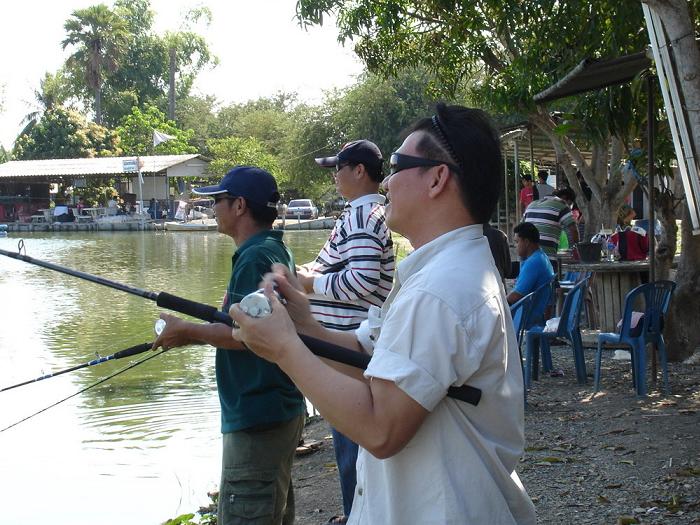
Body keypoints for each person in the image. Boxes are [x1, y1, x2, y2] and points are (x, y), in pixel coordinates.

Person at [230, 104, 536, 524]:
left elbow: (381, 429)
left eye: (396, 165)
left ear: (437, 177)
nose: (386, 181)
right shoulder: (438, 272)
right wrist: (303, 324)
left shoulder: (439, 291)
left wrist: (284, 349)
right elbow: (370, 360)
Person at [152, 166, 306, 524]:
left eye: (217, 200)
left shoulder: (254, 257)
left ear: (239, 206)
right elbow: (246, 326)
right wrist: (194, 330)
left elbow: (251, 336)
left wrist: (187, 331)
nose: (212, 208)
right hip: (276, 409)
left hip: (257, 417)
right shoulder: (270, 248)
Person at [297, 139, 395, 524]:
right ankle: (356, 511)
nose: (335, 176)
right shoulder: (364, 214)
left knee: (351, 444)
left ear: (359, 171)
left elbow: (363, 279)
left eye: (339, 167)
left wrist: (309, 286)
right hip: (349, 341)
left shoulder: (361, 216)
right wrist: (303, 275)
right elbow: (341, 268)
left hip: (348, 346)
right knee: (349, 444)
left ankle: (358, 515)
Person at [507, 222, 554, 326]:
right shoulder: (540, 256)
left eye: (517, 242)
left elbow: (516, 295)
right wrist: (522, 257)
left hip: (527, 317)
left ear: (527, 242)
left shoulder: (534, 262)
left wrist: (500, 305)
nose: (515, 246)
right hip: (536, 314)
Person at [522, 187, 579, 257]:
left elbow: (519, 229)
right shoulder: (562, 205)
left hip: (526, 256)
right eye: (570, 204)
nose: (570, 208)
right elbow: (574, 231)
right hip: (547, 257)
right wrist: (577, 248)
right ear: (564, 198)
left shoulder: (531, 205)